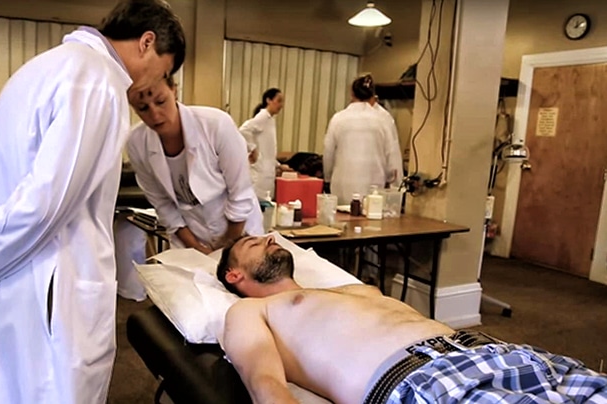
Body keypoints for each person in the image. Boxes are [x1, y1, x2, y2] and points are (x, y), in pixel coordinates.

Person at [0, 0, 186, 402]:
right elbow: (44, 204)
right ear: (147, 42)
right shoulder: (98, 81)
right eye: (166, 68)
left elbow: (12, 189)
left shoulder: (46, 67)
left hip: (22, 270)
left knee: (13, 388)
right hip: (55, 280)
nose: (158, 82)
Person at [216, 235, 607, 404]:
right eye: (254, 243)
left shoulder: (352, 289)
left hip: (509, 354)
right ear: (235, 276)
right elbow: (264, 383)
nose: (269, 238)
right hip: (427, 382)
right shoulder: (251, 311)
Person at [126, 76, 263, 254]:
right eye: (143, 108)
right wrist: (196, 248)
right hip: (192, 236)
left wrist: (226, 247)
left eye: (160, 101)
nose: (155, 115)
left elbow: (240, 193)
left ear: (174, 90)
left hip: (241, 231)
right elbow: (163, 205)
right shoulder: (137, 143)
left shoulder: (216, 124)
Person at [323, 75, 403, 204]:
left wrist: (327, 178)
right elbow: (392, 156)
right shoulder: (383, 120)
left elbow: (328, 152)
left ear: (352, 94)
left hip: (342, 186)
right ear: (372, 95)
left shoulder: (338, 119)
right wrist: (395, 185)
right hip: (373, 188)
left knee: (342, 220)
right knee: (369, 219)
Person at [239, 88, 285, 201]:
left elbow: (267, 149)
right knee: (258, 204)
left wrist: (278, 165)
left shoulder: (270, 120)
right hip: (260, 172)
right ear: (268, 100)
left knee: (266, 205)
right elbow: (243, 130)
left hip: (267, 172)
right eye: (278, 101)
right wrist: (253, 149)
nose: (281, 105)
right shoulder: (263, 116)